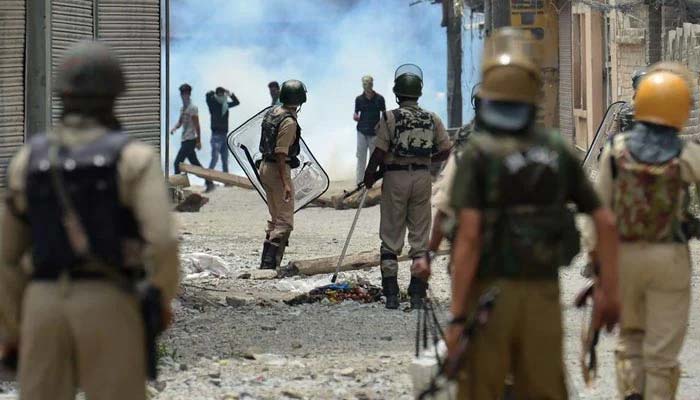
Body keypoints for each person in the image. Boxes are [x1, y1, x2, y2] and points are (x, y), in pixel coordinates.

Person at [446, 28, 620, 399]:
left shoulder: (478, 154)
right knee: (543, 388)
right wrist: (608, 289)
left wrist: (458, 317)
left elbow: (469, 237)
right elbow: (604, 220)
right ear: (533, 96)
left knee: (481, 387)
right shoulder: (557, 150)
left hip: (487, 296)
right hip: (542, 292)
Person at [0, 41, 180, 400]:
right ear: (116, 94)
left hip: (42, 302)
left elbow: (4, 256)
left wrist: (13, 324)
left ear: (61, 95)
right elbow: (162, 241)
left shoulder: (27, 159)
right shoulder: (135, 158)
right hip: (108, 298)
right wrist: (160, 299)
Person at [591, 63, 697, 400]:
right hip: (670, 258)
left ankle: (632, 393)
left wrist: (598, 264)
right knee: (662, 354)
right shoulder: (688, 153)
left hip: (624, 258)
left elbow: (599, 214)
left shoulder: (616, 150)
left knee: (631, 341)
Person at [363, 64, 451, 310]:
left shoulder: (389, 117)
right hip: (422, 178)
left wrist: (370, 174)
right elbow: (446, 150)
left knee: (391, 234)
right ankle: (417, 293)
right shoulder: (432, 118)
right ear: (419, 93)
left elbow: (379, 151)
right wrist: (426, 161)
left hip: (395, 178)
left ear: (397, 93)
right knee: (420, 235)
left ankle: (391, 293)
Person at [258, 80, 307, 270]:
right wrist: (286, 182)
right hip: (278, 170)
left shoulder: (273, 112)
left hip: (265, 167)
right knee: (285, 221)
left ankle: (266, 265)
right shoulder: (288, 121)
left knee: (275, 216)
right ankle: (270, 265)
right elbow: (281, 152)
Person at [171, 83, 212, 190]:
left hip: (190, 140)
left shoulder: (192, 108)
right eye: (181, 93)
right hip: (184, 140)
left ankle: (178, 188)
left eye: (184, 93)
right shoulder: (183, 108)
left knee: (177, 163)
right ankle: (209, 182)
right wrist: (174, 128)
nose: (182, 95)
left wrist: (198, 141)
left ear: (188, 94)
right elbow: (180, 122)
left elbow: (197, 125)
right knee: (196, 165)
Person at [353, 75, 386, 184]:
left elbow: (384, 114)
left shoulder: (380, 99)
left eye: (368, 83)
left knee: (374, 159)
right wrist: (355, 116)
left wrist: (380, 124)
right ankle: (359, 182)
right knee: (361, 157)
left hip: (374, 132)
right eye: (364, 83)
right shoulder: (359, 99)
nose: (366, 85)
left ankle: (373, 181)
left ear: (372, 84)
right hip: (361, 131)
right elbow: (356, 112)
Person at [205, 86, 240, 180]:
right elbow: (207, 96)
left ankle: (226, 181)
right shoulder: (213, 104)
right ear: (216, 94)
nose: (221, 94)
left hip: (224, 135)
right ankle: (208, 179)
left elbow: (237, 102)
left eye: (222, 92)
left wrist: (230, 94)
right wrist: (213, 93)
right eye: (219, 92)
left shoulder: (225, 104)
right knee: (215, 158)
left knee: (225, 159)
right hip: (216, 135)